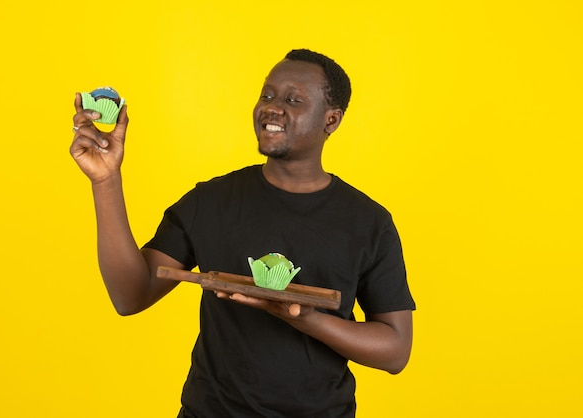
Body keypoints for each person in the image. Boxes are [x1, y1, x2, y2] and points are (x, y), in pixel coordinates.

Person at [70, 49, 415, 417]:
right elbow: (130, 295)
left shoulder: (368, 221)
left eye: (293, 100)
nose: (272, 107)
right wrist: (105, 180)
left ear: (331, 120)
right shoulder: (211, 201)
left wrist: (305, 318)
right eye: (267, 95)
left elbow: (395, 350)